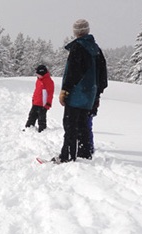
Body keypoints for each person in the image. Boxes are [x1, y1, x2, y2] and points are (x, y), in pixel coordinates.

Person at [54, 19, 108, 163]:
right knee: (84, 125)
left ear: (76, 32)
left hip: (76, 94)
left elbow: (73, 72)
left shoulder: (78, 47)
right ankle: (85, 154)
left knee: (70, 125)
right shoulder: (96, 49)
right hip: (90, 95)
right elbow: (103, 75)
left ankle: (67, 156)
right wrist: (97, 94)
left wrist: (65, 90)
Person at [24, 65, 54, 132]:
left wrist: (48, 104)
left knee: (41, 118)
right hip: (36, 103)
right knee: (32, 116)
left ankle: (42, 130)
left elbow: (50, 94)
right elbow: (36, 91)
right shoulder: (38, 80)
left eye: (38, 74)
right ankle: (28, 128)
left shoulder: (48, 82)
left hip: (43, 104)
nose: (37, 75)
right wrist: (33, 99)